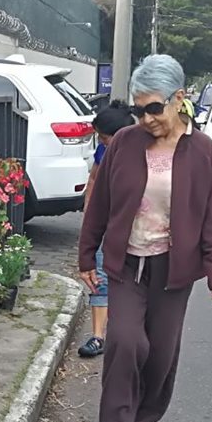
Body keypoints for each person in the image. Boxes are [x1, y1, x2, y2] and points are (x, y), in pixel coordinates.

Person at [78, 54, 212, 422]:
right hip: (127, 263)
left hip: (172, 269)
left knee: (162, 350)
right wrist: (85, 256)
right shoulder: (125, 143)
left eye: (153, 108)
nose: (145, 119)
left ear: (178, 99)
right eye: (137, 109)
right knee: (126, 341)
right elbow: (101, 205)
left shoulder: (201, 150)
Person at [78, 101, 136, 358]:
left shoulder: (144, 153)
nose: (101, 142)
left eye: (103, 137)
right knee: (99, 277)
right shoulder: (104, 151)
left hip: (137, 231)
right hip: (107, 226)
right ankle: (98, 337)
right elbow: (93, 178)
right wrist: (90, 214)